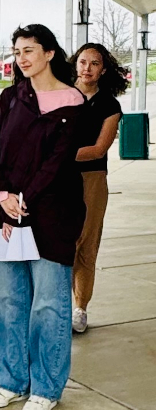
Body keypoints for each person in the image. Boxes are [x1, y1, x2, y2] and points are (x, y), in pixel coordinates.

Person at [0, 24, 85, 410]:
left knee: (48, 305)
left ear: (50, 53)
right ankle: (12, 382)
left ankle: (47, 387)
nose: (22, 58)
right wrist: (1, 198)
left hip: (52, 216)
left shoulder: (72, 102)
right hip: (7, 215)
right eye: (17, 51)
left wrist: (24, 199)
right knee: (6, 301)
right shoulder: (10, 99)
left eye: (30, 50)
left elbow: (57, 162)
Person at [70, 43, 127, 333]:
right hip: (56, 179)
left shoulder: (109, 105)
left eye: (94, 63)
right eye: (83, 62)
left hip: (91, 178)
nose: (87, 68)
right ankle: (55, 307)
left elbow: (99, 148)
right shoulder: (60, 96)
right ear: (75, 64)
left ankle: (79, 309)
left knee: (86, 244)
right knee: (60, 244)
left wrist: (58, 153)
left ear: (103, 69)